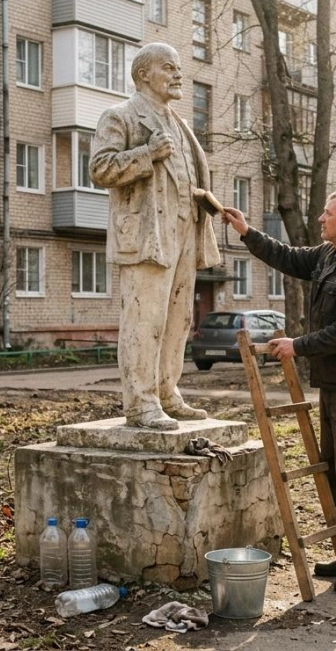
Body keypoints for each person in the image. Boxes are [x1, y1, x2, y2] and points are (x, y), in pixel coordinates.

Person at [220, 191, 336, 594]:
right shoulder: (331, 255)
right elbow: (289, 257)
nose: (320, 218)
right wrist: (246, 232)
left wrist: (297, 345)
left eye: (328, 213)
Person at [89, 43, 221, 431]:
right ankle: (141, 403)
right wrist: (147, 153)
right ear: (144, 74)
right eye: (169, 67)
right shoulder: (120, 116)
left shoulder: (179, 123)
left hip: (184, 232)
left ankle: (167, 392)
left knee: (178, 319)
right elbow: (100, 168)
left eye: (179, 67)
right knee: (145, 320)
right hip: (146, 236)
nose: (178, 74)